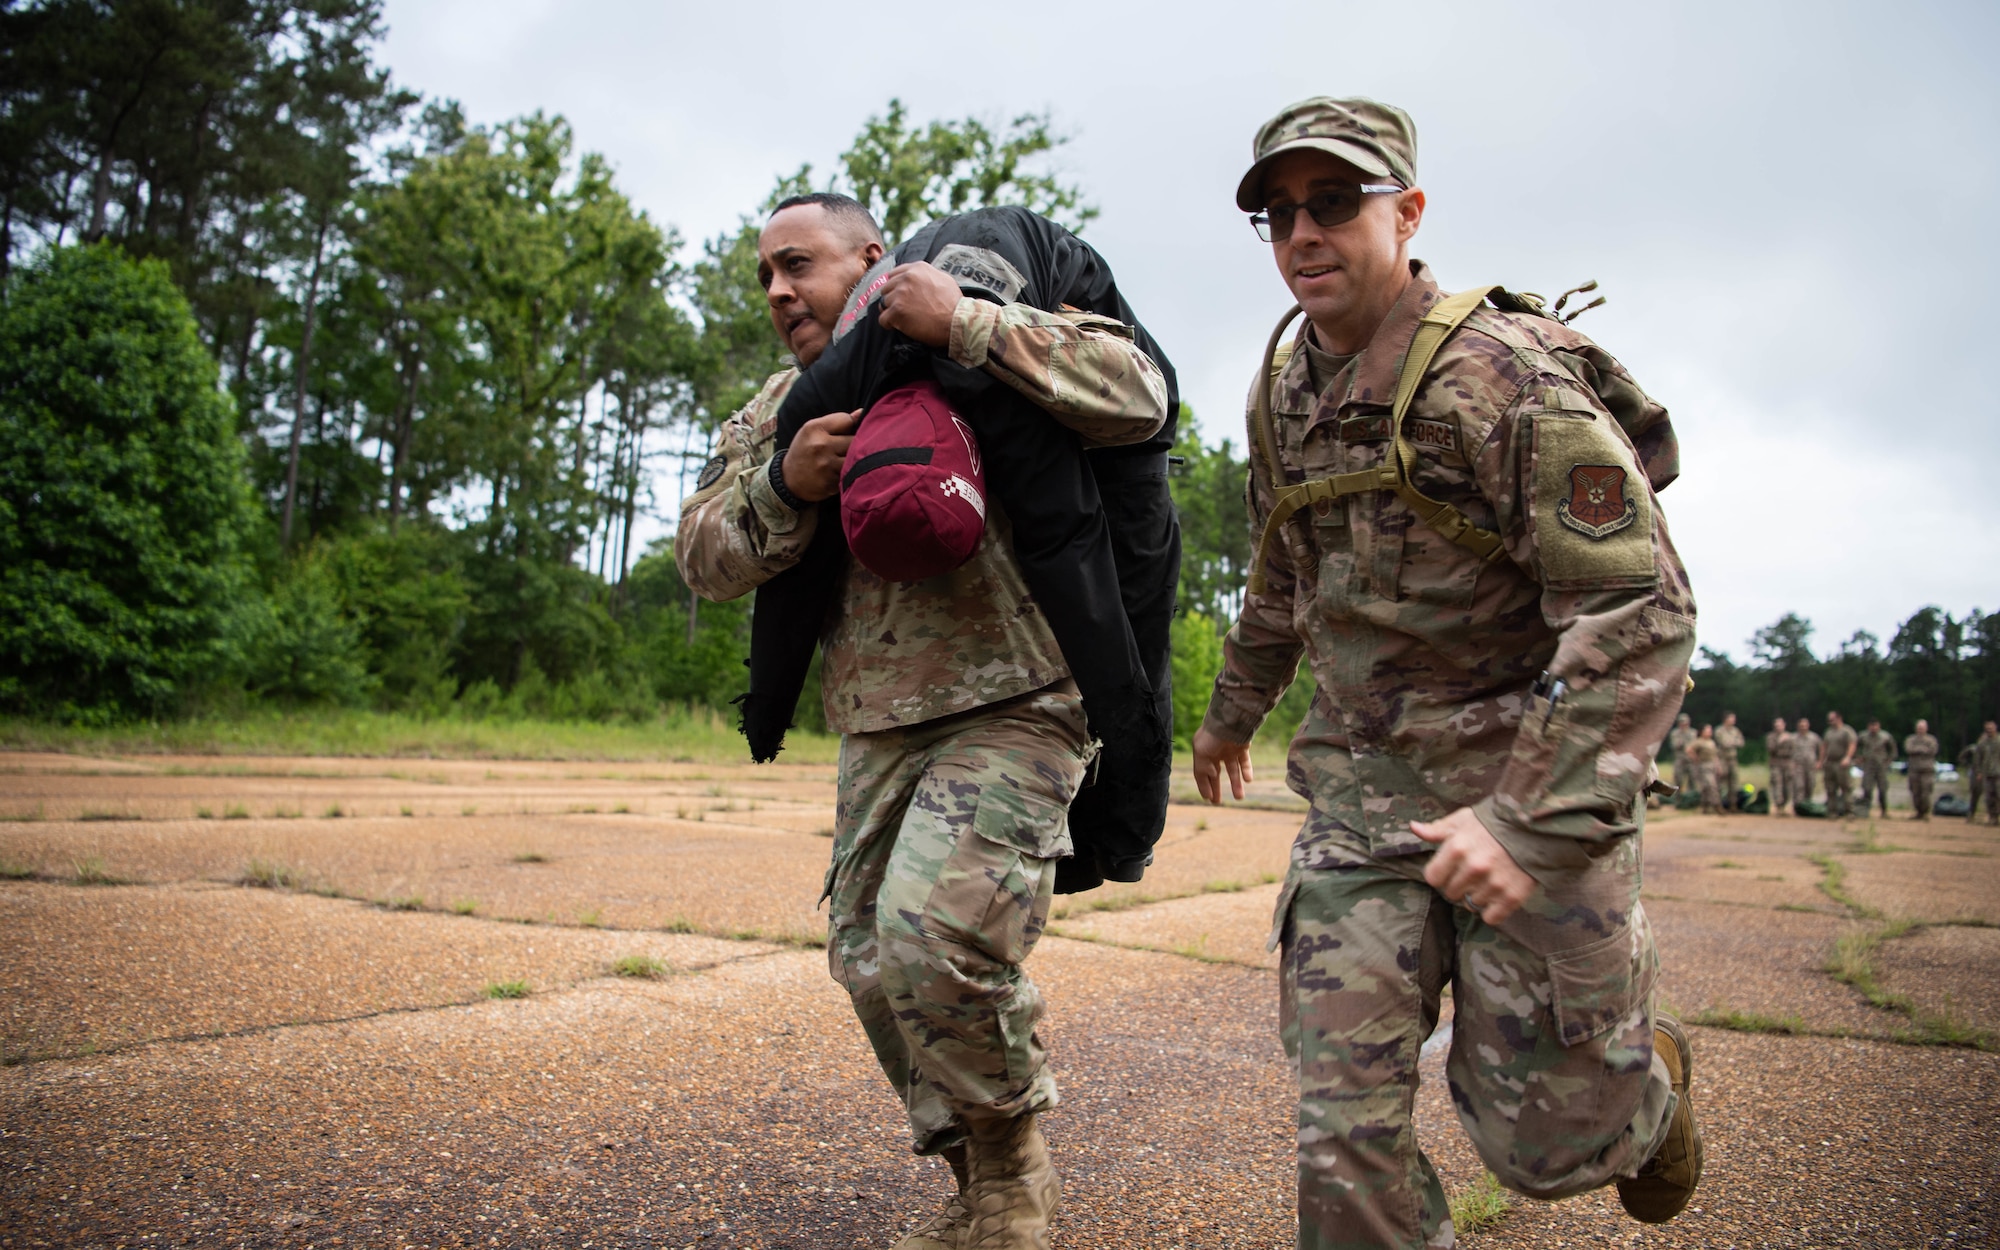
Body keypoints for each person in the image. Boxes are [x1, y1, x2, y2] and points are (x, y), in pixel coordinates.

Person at [1191, 96, 1703, 1249]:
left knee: (1545, 1145)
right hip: (1361, 805)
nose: (1301, 235)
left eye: (1332, 204)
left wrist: (1523, 818)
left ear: (1406, 211)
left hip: (1527, 791)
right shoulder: (1281, 392)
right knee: (1342, 1128)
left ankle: (1646, 1091)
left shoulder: (1500, 378)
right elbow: (1283, 574)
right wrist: (1231, 713)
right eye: (1277, 216)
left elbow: (1639, 602)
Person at [676, 192, 1170, 1249]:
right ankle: (972, 1171)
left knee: (931, 934)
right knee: (866, 960)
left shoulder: (984, 318)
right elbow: (703, 556)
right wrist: (783, 482)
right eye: (762, 273)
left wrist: (970, 327)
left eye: (795, 264)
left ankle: (1009, 1178)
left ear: (869, 256)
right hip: (876, 720)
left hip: (1019, 699)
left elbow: (1141, 394)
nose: (775, 290)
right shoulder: (788, 405)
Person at [1857, 718, 1897, 819]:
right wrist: (1858, 757)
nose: (1873, 728)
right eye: (1871, 726)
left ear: (1879, 726)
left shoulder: (1885, 737)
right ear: (1868, 726)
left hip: (1881, 766)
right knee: (1867, 788)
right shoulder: (1863, 736)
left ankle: (1884, 811)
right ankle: (1865, 811)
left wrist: (1889, 761)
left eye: (1875, 725)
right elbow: (1855, 746)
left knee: (1882, 789)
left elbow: (1893, 750)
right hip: (1868, 766)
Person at [1821, 711, 1858, 819]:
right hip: (1830, 762)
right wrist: (1822, 760)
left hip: (1842, 762)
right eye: (1829, 720)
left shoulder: (1847, 731)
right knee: (1830, 788)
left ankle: (1849, 812)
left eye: (1832, 719)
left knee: (1846, 788)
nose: (1830, 722)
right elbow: (1824, 746)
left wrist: (1847, 757)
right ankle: (1832, 812)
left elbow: (1852, 744)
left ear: (1839, 718)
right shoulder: (1829, 732)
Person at [1905, 719, 1940, 821]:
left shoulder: (1931, 740)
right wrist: (1922, 749)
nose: (1920, 730)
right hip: (1914, 770)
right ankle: (1918, 812)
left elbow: (1933, 750)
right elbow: (1909, 749)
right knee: (1915, 792)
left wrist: (1919, 750)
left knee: (1926, 792)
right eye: (1919, 728)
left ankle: (1925, 812)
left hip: (1927, 770)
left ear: (1926, 728)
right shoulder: (1911, 739)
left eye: (1922, 728)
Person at [1714, 712, 1745, 811]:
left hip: (1733, 759)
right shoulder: (1719, 730)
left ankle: (1733, 805)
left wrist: (1732, 742)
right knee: (1721, 783)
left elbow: (1741, 743)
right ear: (1726, 719)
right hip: (1723, 759)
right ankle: (1719, 804)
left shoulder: (1736, 731)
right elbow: (1724, 743)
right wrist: (1733, 742)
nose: (1734, 720)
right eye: (1732, 718)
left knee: (1734, 783)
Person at [1688, 725, 1722, 814]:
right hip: (1704, 765)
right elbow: (1689, 750)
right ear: (1702, 732)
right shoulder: (1699, 742)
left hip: (1712, 765)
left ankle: (1705, 806)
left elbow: (1715, 756)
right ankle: (1717, 805)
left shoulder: (1711, 742)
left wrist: (1718, 766)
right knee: (1711, 785)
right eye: (1708, 730)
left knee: (1707, 786)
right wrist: (1695, 759)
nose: (1710, 732)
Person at [1791, 716, 1822, 811]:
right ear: (1798, 726)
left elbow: (1821, 749)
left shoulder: (1814, 737)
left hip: (1810, 765)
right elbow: (1788, 751)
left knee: (1810, 784)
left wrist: (1819, 762)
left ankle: (1807, 805)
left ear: (1808, 726)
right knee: (1799, 785)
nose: (1803, 727)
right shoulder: (1793, 738)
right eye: (1801, 726)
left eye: (1805, 725)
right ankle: (1798, 806)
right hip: (1798, 765)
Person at [1765, 717, 1794, 816]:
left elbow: (1793, 750)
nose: (1778, 727)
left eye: (1780, 725)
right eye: (1776, 726)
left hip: (1787, 763)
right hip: (1776, 763)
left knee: (1788, 785)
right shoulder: (1771, 737)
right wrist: (1779, 742)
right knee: (1777, 784)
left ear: (1784, 725)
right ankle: (1778, 806)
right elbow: (1771, 749)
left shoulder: (1790, 737)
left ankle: (1786, 806)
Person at [1973, 721, 2000, 827]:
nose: (1989, 731)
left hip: (1998, 773)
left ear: (1995, 728)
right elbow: (1978, 758)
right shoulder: (1982, 743)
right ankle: (1993, 818)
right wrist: (1978, 771)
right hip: (1987, 774)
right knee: (1989, 797)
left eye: (1991, 728)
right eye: (1987, 729)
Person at [1669, 712, 1696, 795]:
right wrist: (1684, 741)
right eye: (1682, 722)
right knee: (1678, 779)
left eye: (1685, 722)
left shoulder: (1692, 732)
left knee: (1692, 779)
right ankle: (1678, 798)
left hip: (1690, 759)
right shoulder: (1675, 733)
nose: (1684, 724)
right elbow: (1675, 745)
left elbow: (1694, 745)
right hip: (1680, 759)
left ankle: (1691, 797)